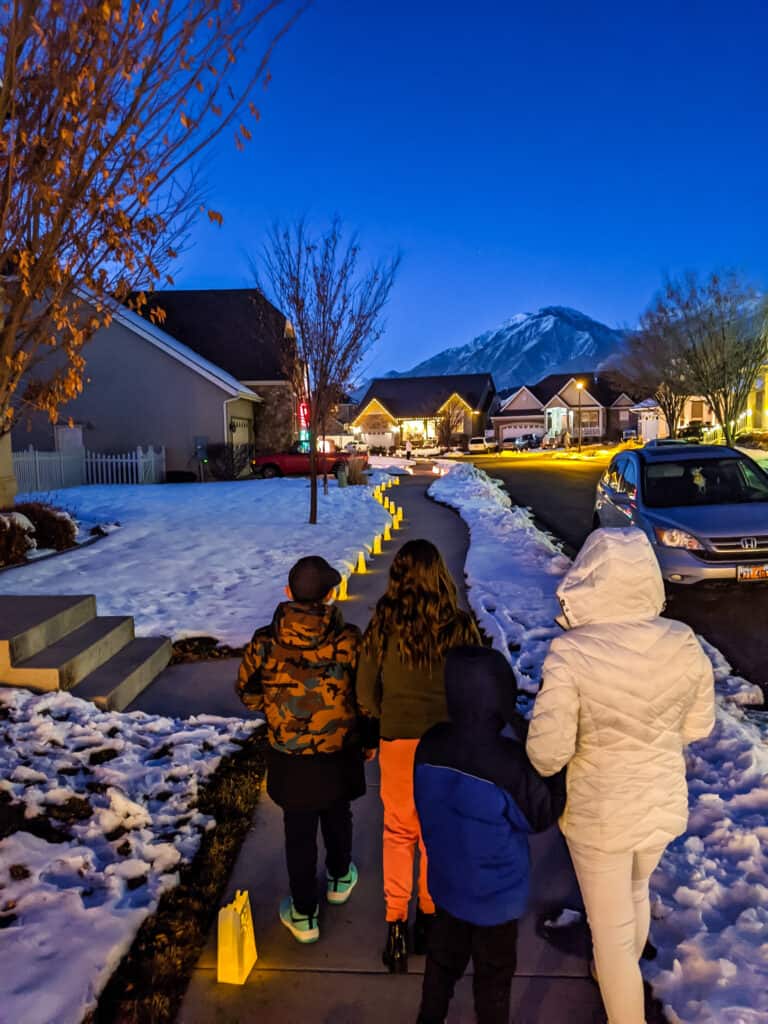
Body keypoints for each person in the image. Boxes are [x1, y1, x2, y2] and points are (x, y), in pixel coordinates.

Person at [526, 528, 715, 1024]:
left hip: (600, 814)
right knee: (636, 892)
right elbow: (699, 725)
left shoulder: (573, 652)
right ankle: (621, 977)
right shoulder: (682, 640)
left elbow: (547, 755)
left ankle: (621, 999)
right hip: (660, 801)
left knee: (609, 932)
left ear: (589, 577)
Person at [414, 645, 566, 1024]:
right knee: (493, 978)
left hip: (448, 884)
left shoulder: (430, 743)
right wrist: (556, 774)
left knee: (441, 967)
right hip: (496, 897)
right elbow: (540, 816)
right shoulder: (508, 763)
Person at [236, 555, 376, 944]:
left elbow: (247, 692)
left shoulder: (264, 641)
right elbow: (365, 697)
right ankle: (339, 876)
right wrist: (367, 737)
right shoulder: (349, 641)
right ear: (331, 596)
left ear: (287, 593)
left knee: (297, 831)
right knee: (338, 814)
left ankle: (303, 913)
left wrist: (274, 709)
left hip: (289, 756)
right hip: (338, 752)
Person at [356, 538, 481, 972]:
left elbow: (363, 691)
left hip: (399, 743)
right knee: (435, 837)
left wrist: (384, 715)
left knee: (398, 832)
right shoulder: (461, 626)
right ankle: (429, 918)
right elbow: (478, 684)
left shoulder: (383, 624)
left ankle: (395, 923)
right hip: (446, 746)